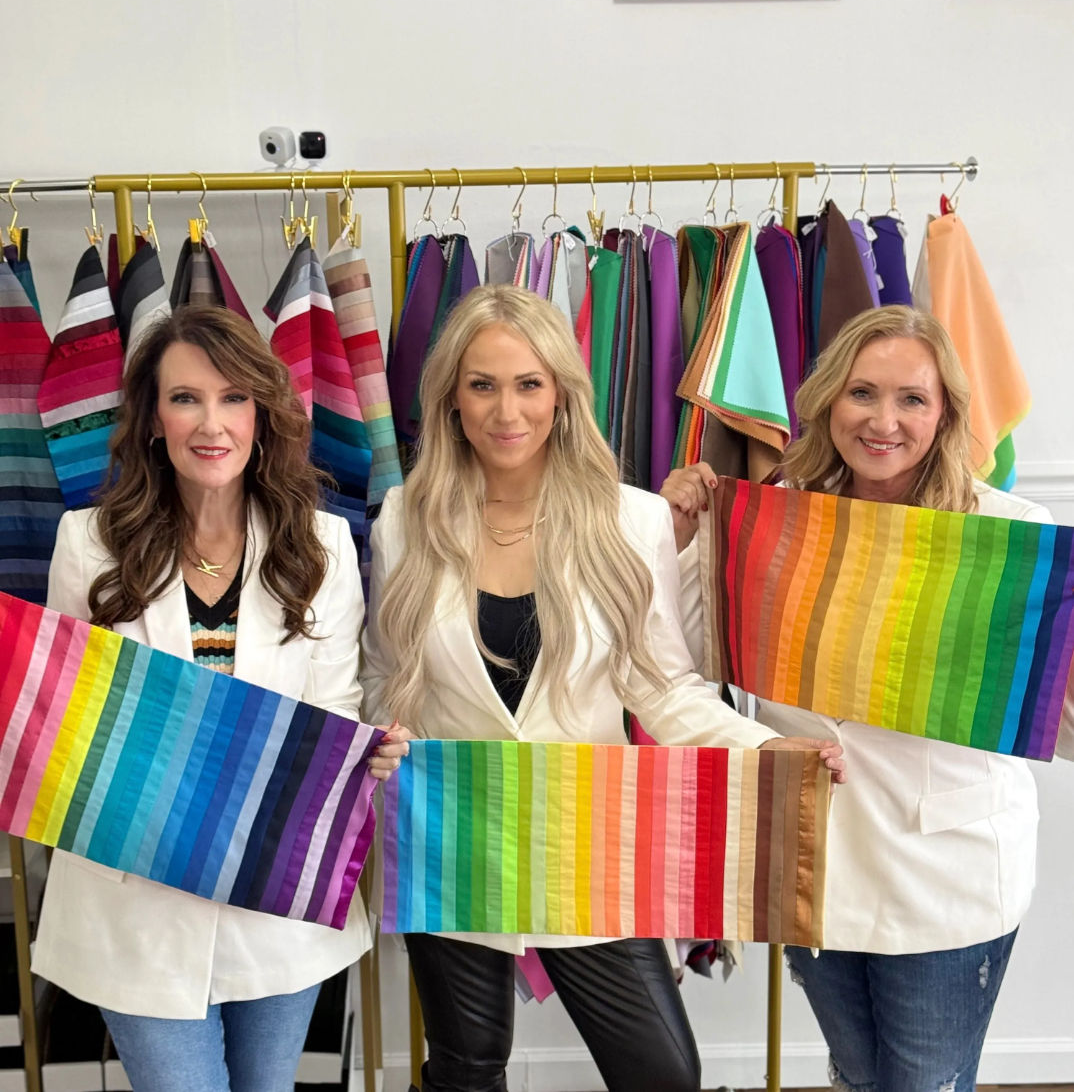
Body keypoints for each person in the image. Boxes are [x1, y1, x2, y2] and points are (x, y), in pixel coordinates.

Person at [361, 283, 845, 1092]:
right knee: (464, 1067)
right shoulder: (406, 518)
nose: (505, 410)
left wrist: (765, 747)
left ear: (561, 393)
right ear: (450, 399)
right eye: (481, 385)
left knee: (662, 1073)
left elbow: (660, 687)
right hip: (453, 825)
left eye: (528, 384)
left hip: (582, 829)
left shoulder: (630, 519)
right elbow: (383, 674)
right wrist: (387, 732)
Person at [662, 304, 1068, 1092]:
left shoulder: (1007, 532)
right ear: (826, 402)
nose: (884, 420)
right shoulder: (774, 512)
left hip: (945, 876)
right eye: (861, 393)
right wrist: (676, 534)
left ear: (946, 408)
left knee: (923, 1083)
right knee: (854, 1074)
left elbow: (1055, 712)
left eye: (912, 398)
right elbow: (672, 647)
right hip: (816, 862)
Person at [33, 305, 410, 1092]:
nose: (212, 423)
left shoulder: (324, 546)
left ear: (263, 415)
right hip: (137, 899)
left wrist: (368, 748)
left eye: (234, 397)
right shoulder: (88, 544)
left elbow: (336, 705)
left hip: (276, 896)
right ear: (150, 419)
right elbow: (73, 725)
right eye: (186, 398)